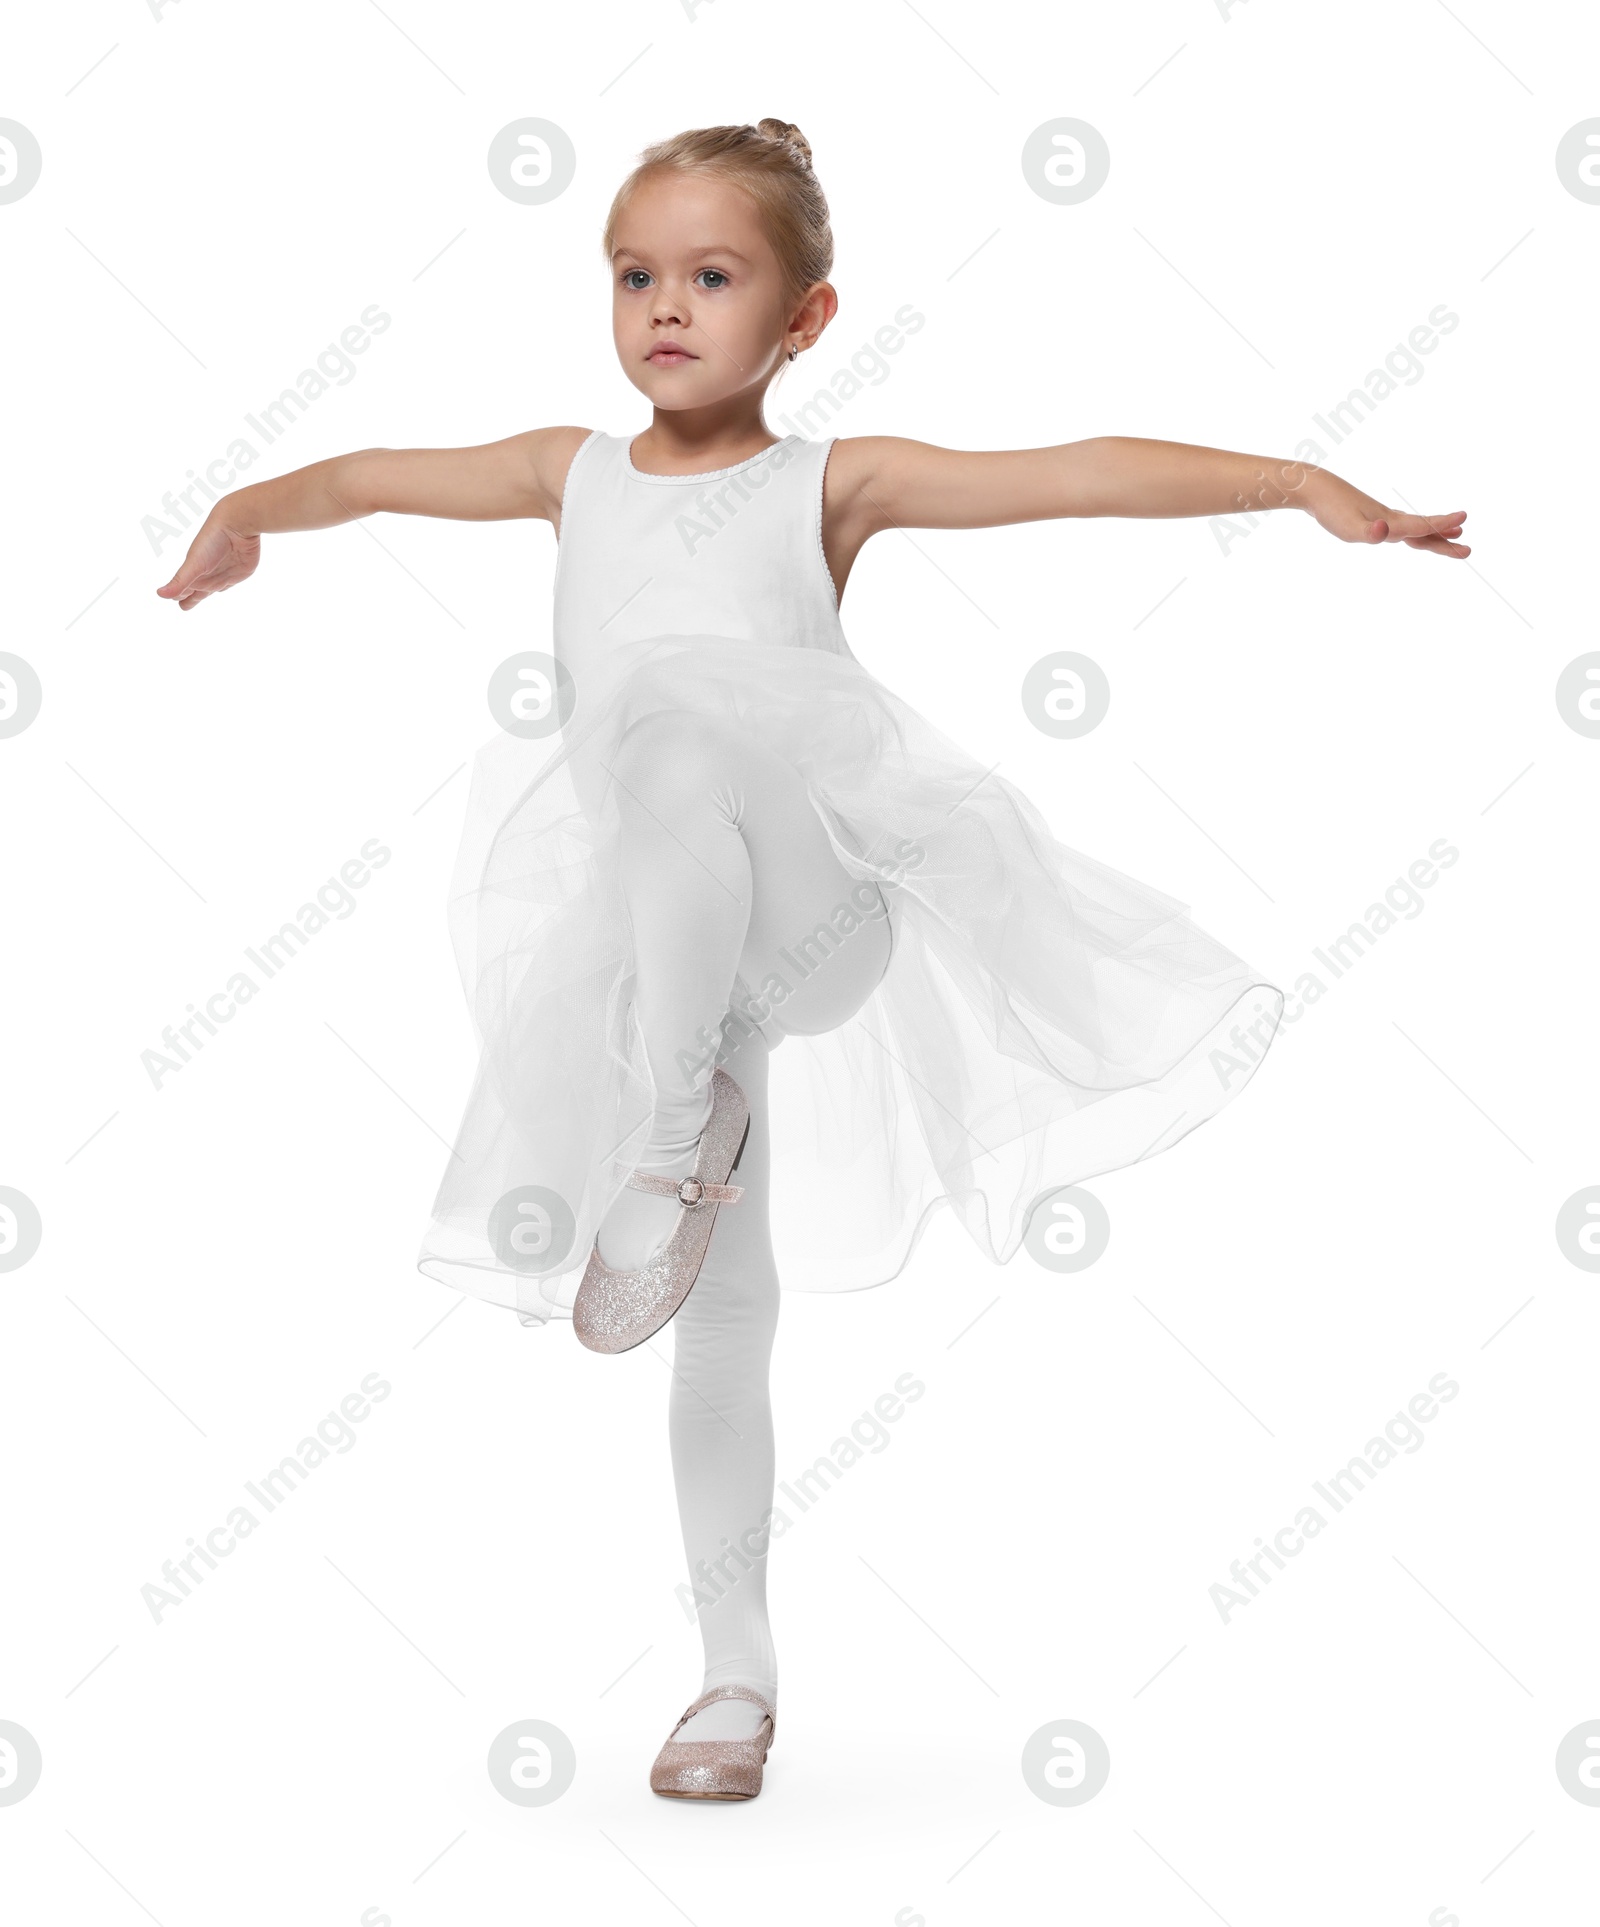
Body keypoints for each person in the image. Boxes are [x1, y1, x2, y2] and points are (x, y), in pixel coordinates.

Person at [157, 117, 1469, 1800]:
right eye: (635, 275)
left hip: (810, 916)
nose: (664, 308)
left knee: (679, 718)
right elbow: (360, 479)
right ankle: (731, 1684)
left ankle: (670, 1126)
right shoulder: (569, 472)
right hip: (657, 959)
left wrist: (1299, 487)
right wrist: (242, 511)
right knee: (724, 1327)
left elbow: (1069, 472)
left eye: (713, 276)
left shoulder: (824, 484)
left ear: (805, 318)